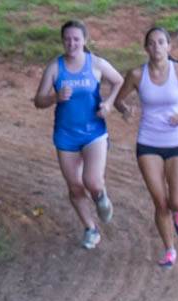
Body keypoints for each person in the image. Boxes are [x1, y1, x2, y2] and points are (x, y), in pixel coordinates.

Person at [33, 20, 124, 249]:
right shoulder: (55, 68)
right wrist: (55, 97)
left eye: (76, 39)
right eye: (67, 39)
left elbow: (119, 81)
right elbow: (38, 101)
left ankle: (100, 195)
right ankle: (90, 228)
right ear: (62, 40)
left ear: (85, 40)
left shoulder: (96, 63)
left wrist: (109, 104)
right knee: (74, 186)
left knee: (91, 181)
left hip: (94, 132)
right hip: (66, 135)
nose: (71, 43)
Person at [116, 26, 178, 268]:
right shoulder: (137, 74)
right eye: (152, 43)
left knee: (177, 200)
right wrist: (126, 110)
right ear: (146, 48)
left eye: (161, 42)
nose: (156, 47)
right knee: (160, 202)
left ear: (169, 46)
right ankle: (169, 250)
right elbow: (119, 99)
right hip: (148, 142)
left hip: (176, 141)